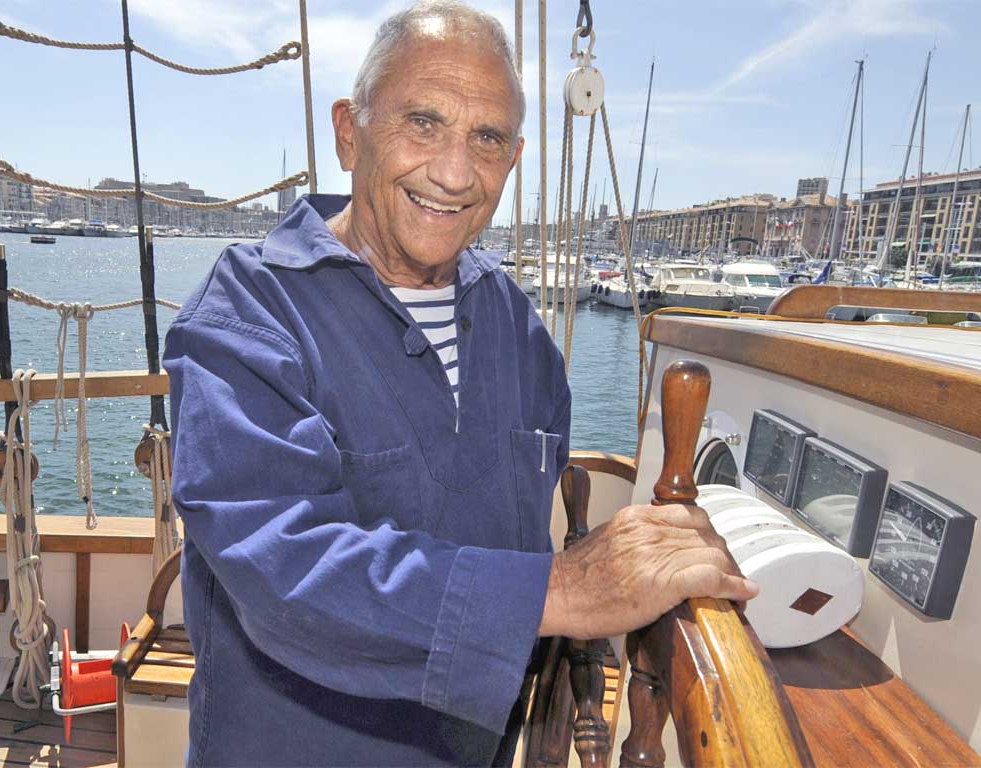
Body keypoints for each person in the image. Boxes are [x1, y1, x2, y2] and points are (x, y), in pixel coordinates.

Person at [163, 2, 757, 766]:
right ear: (351, 131)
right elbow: (285, 570)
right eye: (423, 122)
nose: (454, 171)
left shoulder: (516, 323)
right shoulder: (245, 315)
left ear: (512, 158)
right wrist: (566, 593)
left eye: (486, 138)